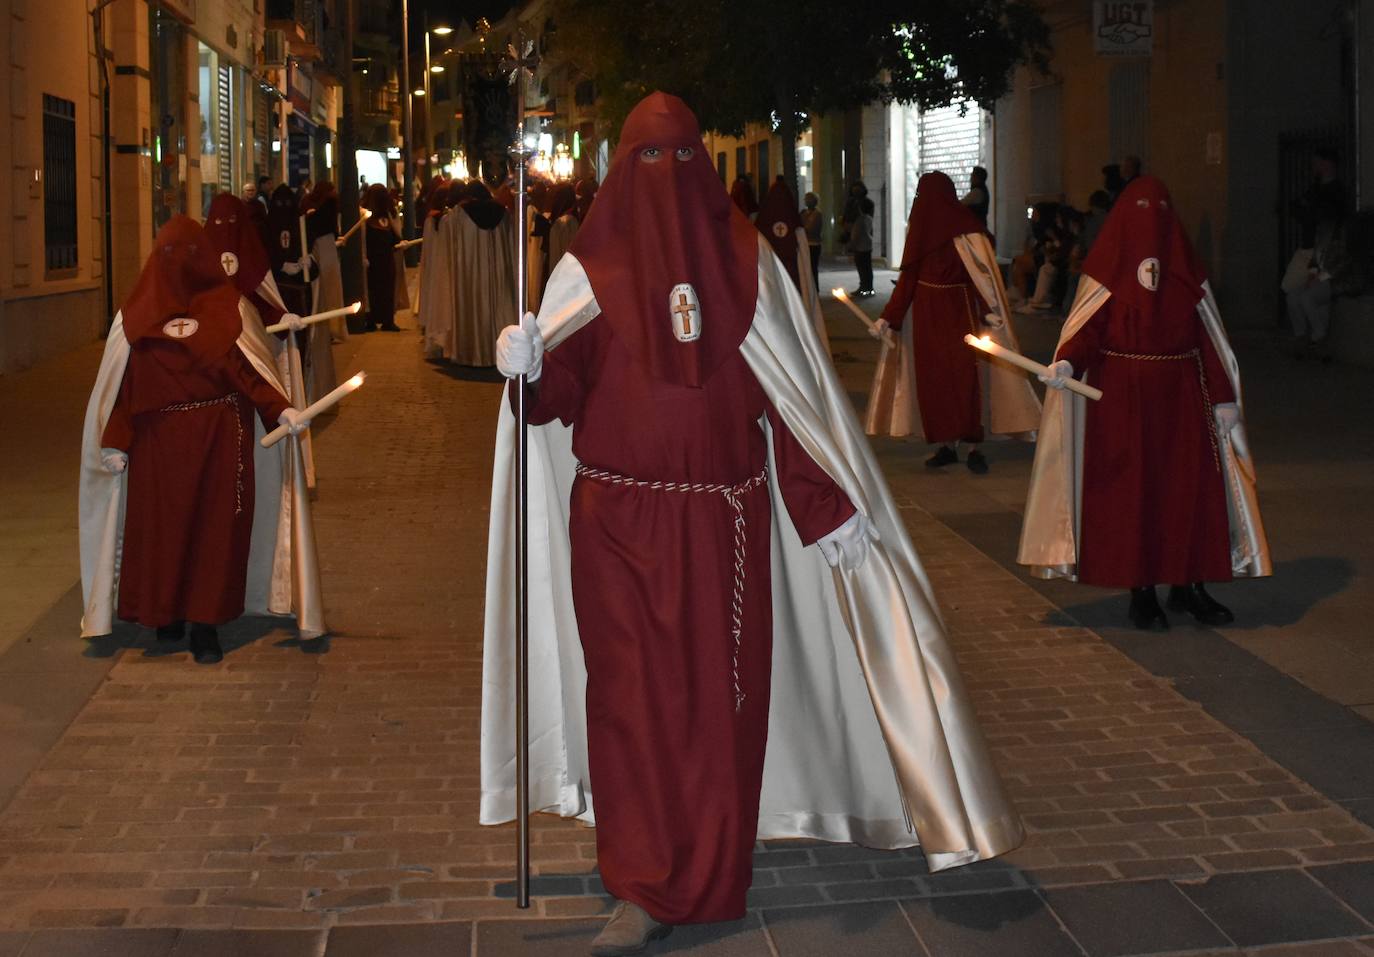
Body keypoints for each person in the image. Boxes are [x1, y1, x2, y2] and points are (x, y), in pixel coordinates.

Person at [483, 92, 1022, 957]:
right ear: (625, 169)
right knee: (631, 703)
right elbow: (557, 398)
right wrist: (527, 367)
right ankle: (644, 879)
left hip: (725, 527)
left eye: (682, 158)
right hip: (617, 527)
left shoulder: (750, 265)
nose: (667, 179)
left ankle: (711, 865)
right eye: (649, 161)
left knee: (719, 707)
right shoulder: (583, 271)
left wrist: (828, 507)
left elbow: (794, 402)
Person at [1020, 176, 1271, 629]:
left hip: (1183, 400)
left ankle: (1190, 583)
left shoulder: (1185, 273)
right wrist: (1067, 363)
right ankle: (1141, 589)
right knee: (1134, 495)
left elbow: (1208, 339)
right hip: (1122, 401)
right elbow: (1088, 331)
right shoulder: (1107, 272)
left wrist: (1222, 396)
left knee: (1187, 492)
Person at [78, 216, 318, 663]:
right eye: (169, 255)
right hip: (156, 448)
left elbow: (248, 374)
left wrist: (279, 409)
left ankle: (205, 624)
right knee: (161, 533)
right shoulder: (135, 315)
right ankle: (165, 614)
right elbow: (121, 388)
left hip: (221, 441)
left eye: (189, 255)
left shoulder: (231, 311)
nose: (179, 266)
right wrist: (115, 440)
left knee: (215, 534)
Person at [869, 172, 1040, 471]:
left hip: (959, 315)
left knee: (964, 378)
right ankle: (946, 444)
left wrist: (988, 308)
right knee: (934, 381)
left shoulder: (965, 230)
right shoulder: (921, 229)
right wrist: (888, 317)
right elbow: (908, 281)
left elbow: (977, 275)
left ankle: (973, 445)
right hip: (926, 318)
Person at [441, 180, 515, 365]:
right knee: (498, 307)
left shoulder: (458, 215)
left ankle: (472, 353)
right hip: (498, 275)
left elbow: (451, 247)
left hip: (470, 277)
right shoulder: (503, 213)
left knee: (472, 308)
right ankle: (500, 352)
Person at [1286, 147, 1347, 361]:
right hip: (1313, 253)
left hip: (1327, 262)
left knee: (1307, 297)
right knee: (1293, 295)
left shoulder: (1336, 196)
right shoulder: (1315, 190)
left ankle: (1318, 340)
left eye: (1317, 162)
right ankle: (1303, 338)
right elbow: (1299, 209)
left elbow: (1336, 260)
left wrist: (1319, 275)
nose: (1314, 167)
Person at [361, 184, 400, 332]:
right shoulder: (365, 216)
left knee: (381, 290)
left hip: (382, 260)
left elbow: (394, 236)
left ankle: (385, 319)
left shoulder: (388, 215)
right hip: (376, 261)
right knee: (376, 290)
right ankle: (376, 319)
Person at [847, 196, 875, 297]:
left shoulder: (860, 219)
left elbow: (856, 234)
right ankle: (869, 287)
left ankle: (863, 287)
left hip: (860, 247)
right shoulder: (869, 218)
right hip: (867, 245)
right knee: (867, 268)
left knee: (862, 269)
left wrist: (851, 245)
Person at [800, 192, 823, 290]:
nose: (806, 201)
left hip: (813, 243)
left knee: (813, 267)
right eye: (806, 199)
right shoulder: (803, 213)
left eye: (808, 199)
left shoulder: (817, 214)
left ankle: (814, 288)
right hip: (804, 243)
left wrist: (803, 229)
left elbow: (812, 228)